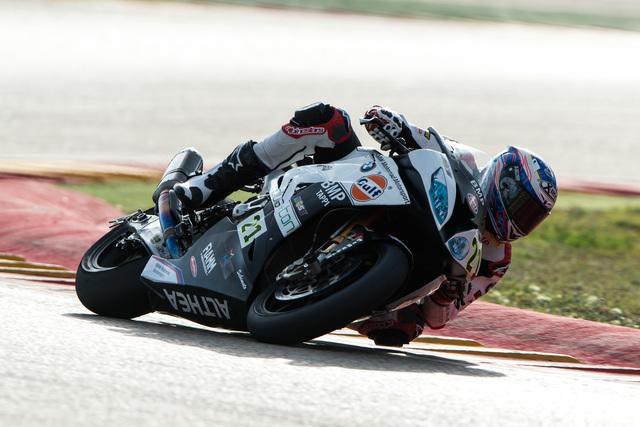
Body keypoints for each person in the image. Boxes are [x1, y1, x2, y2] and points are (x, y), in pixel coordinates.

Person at [168, 102, 558, 347]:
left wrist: (447, 295)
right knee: (327, 119)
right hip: (372, 187)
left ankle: (322, 287)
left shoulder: (495, 259)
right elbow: (421, 139)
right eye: (520, 205)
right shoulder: (466, 163)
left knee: (399, 328)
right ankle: (202, 189)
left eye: (531, 217)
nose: (519, 219)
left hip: (400, 282)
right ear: (501, 181)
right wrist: (392, 124)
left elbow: (438, 318)